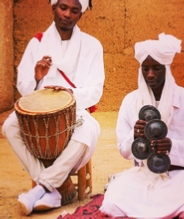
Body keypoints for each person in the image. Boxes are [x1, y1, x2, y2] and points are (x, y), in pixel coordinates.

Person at [2, 0, 105, 216]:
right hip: (38, 112)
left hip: (74, 110)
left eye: (74, 10)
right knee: (10, 125)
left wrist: (70, 94)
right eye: (63, 7)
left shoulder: (92, 45)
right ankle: (56, 187)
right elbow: (24, 89)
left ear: (81, 14)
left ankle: (43, 187)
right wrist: (37, 79)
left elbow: (95, 90)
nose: (67, 14)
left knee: (89, 128)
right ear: (53, 7)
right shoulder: (37, 43)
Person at [100, 33, 184, 218]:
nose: (150, 74)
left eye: (157, 68)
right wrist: (134, 137)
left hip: (178, 175)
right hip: (142, 173)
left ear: (167, 68)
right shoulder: (130, 102)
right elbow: (124, 151)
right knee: (111, 205)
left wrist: (173, 147)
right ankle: (120, 183)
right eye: (146, 69)